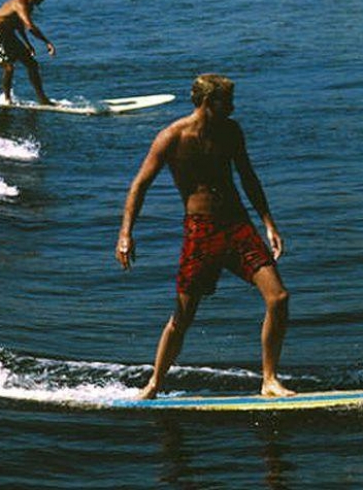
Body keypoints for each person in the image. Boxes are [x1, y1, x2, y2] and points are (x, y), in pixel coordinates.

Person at [116, 73, 292, 400]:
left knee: (279, 298)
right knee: (183, 316)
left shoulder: (231, 132)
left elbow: (248, 178)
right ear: (209, 102)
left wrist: (268, 223)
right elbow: (139, 185)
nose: (234, 107)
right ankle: (154, 384)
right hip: (201, 231)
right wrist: (126, 233)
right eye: (228, 101)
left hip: (237, 225)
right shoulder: (171, 137)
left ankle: (269, 379)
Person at [0, 0, 57, 105]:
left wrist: (27, 44)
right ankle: (6, 99)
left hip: (9, 35)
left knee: (32, 64)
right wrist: (47, 42)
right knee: (9, 67)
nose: (42, 0)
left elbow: (19, 26)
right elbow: (29, 25)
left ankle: (42, 99)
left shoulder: (29, 7)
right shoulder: (20, 3)